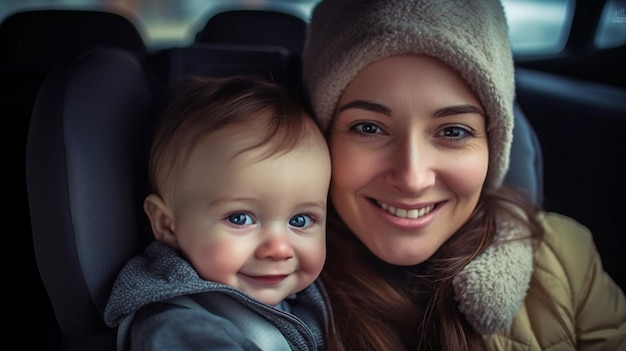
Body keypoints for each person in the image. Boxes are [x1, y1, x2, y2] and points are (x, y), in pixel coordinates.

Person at [301, 0, 626, 350]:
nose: (413, 178)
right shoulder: (262, 276)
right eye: (369, 127)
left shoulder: (564, 257)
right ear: (322, 140)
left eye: (453, 132)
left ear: (493, 146)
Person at [103, 75, 331, 350]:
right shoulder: (178, 325)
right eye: (240, 218)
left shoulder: (311, 299)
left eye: (300, 220)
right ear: (167, 225)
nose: (279, 249)